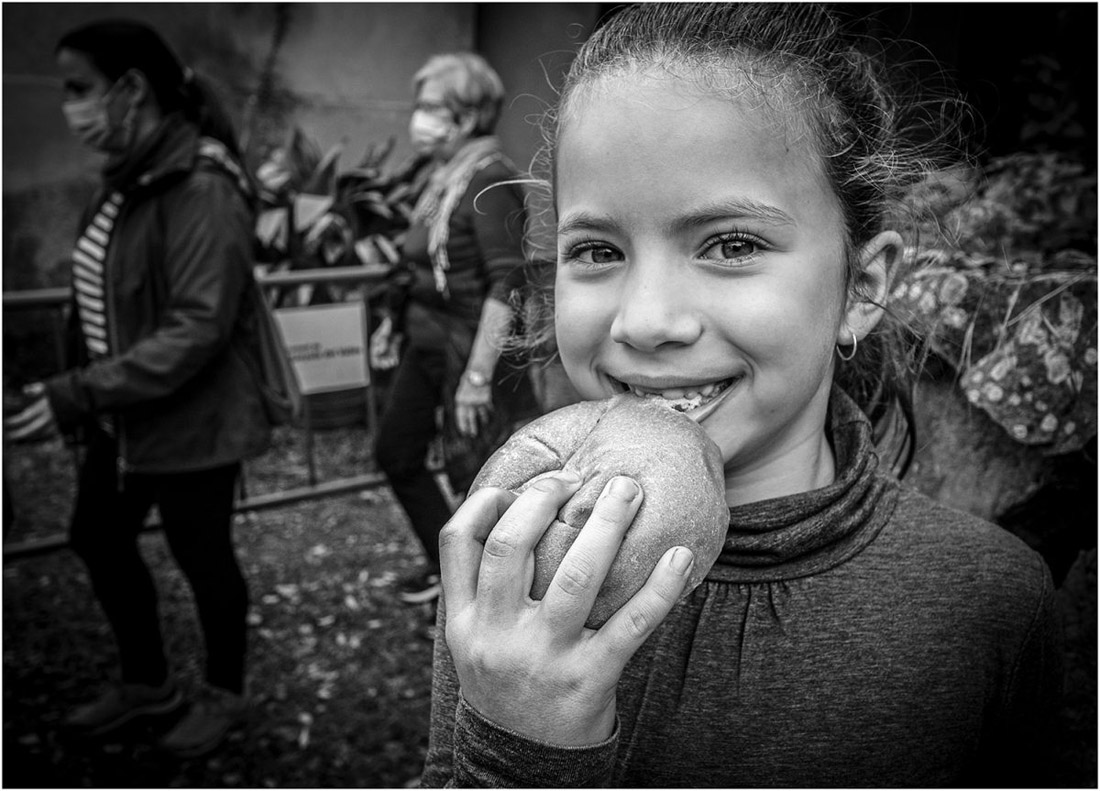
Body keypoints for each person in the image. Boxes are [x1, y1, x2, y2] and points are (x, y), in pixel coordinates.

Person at [420, 4, 1064, 787]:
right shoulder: (516, 558)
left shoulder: (990, 598)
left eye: (732, 244)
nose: (646, 321)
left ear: (861, 286)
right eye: (596, 249)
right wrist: (517, 745)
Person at [3, 20, 270, 757]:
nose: (71, 108)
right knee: (96, 535)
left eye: (80, 89)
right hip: (124, 421)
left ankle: (225, 693)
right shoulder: (131, 181)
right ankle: (148, 682)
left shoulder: (203, 186)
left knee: (204, 557)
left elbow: (195, 328)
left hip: (189, 423)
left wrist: (76, 392)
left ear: (131, 90)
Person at [371, 53, 535, 606]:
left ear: (466, 117)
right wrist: (393, 324)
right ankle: (449, 571)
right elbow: (419, 267)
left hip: (470, 356)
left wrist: (478, 377)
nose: (418, 118)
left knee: (482, 480)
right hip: (428, 347)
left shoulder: (489, 178)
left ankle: (487, 601)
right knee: (397, 452)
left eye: (431, 107)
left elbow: (507, 281)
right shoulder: (442, 177)